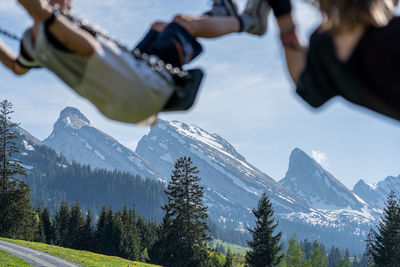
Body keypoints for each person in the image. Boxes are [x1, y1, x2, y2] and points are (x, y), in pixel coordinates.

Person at [267, 0, 400, 121]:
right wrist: (283, 16)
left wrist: (284, 19)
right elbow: (303, 78)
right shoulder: (324, 47)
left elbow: (301, 76)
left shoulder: (326, 45)